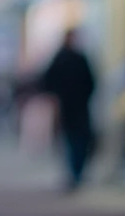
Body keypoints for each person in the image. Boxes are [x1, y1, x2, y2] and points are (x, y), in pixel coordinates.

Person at [40, 29, 96, 190]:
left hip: (73, 106)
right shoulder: (70, 58)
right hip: (73, 106)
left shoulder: (69, 58)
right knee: (74, 140)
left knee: (76, 140)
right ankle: (75, 172)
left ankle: (76, 172)